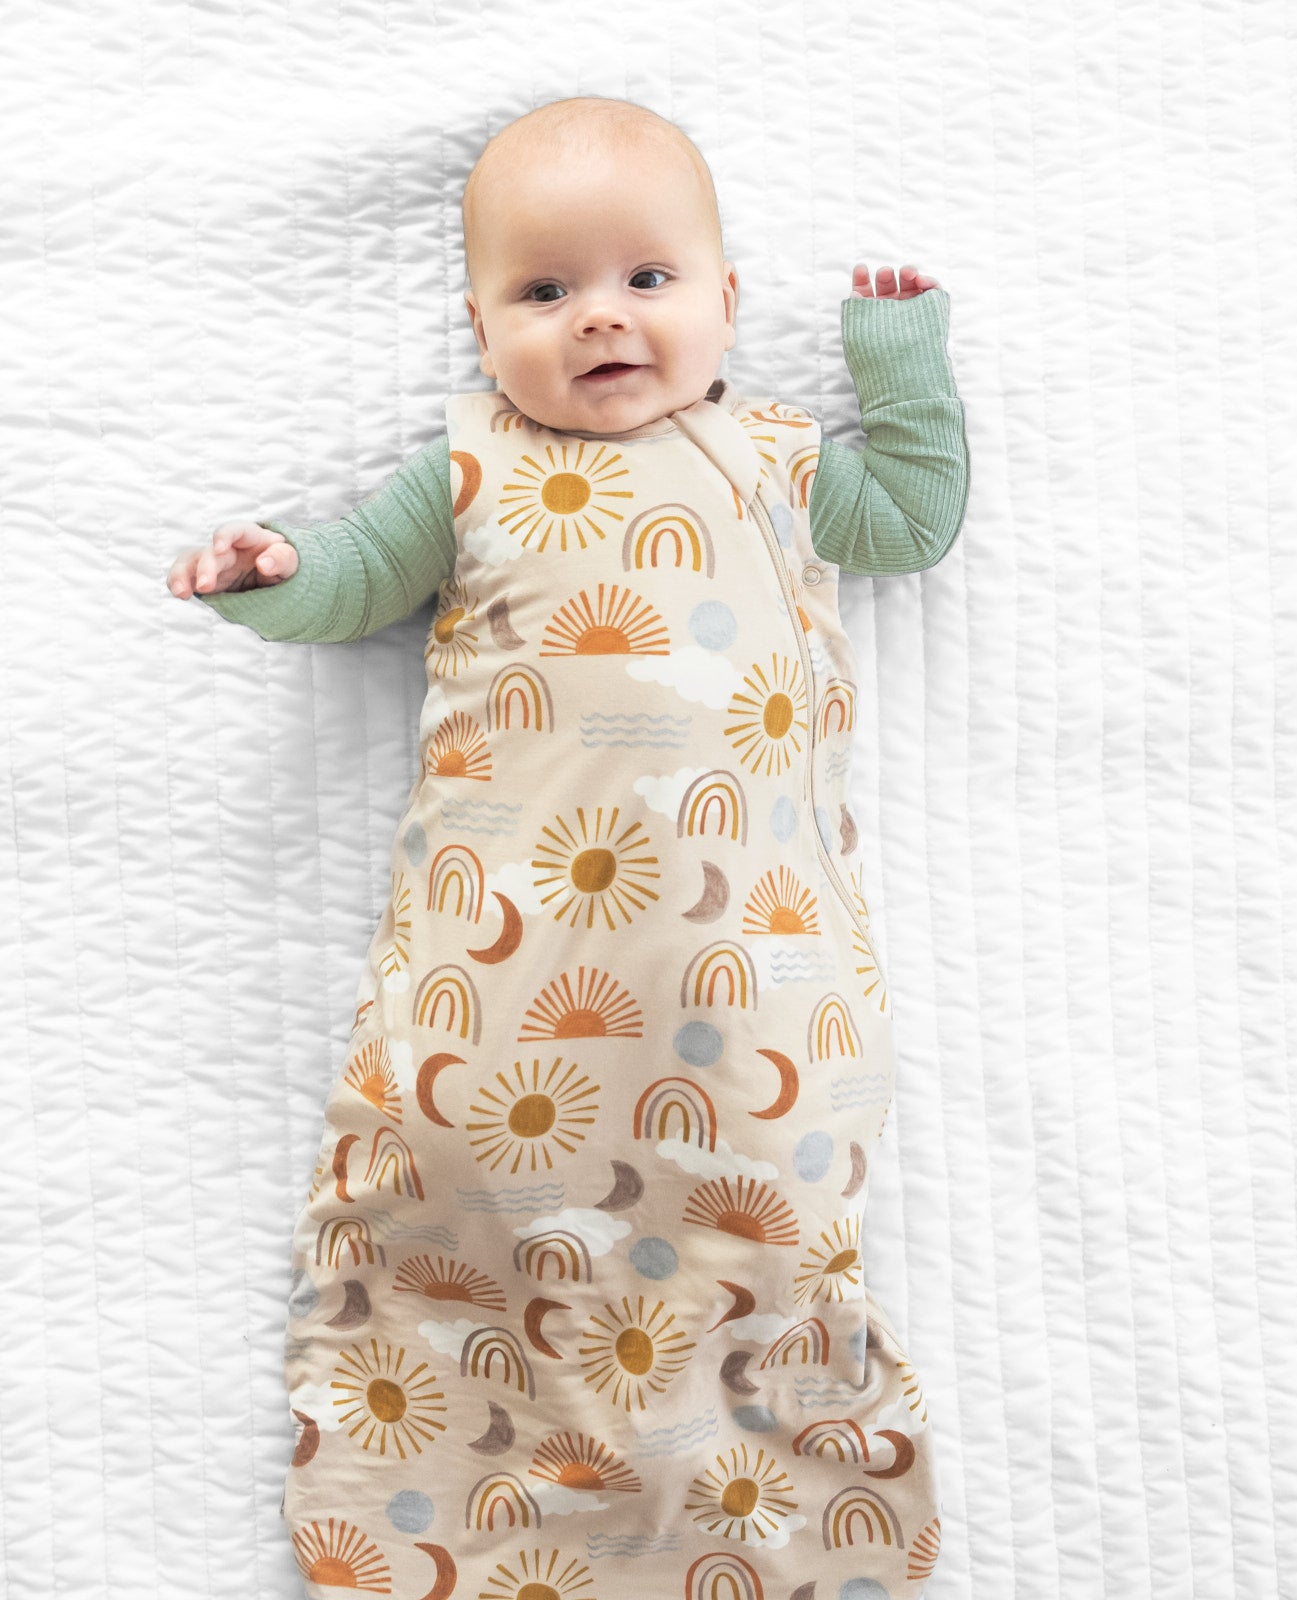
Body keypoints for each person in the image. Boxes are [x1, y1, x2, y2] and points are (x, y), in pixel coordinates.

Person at [166, 94, 968, 1600]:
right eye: (546, 294)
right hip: (497, 981)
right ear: (482, 330)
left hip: (749, 992)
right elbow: (350, 585)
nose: (600, 321)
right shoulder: (469, 469)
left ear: (727, 303)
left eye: (646, 282)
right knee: (469, 1210)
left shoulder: (783, 460)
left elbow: (915, 520)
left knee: (757, 1231)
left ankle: (755, 1518)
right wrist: (271, 577)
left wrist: (899, 366)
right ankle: (461, 1513)